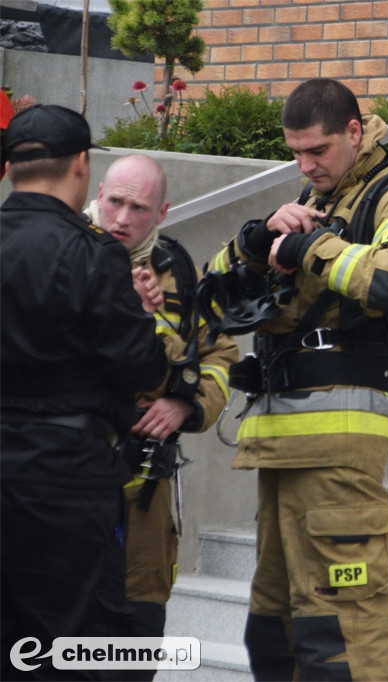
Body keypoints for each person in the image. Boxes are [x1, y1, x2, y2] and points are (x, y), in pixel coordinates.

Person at [204, 78, 388, 681]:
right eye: (295, 154)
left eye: (318, 152)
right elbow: (212, 292)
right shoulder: (318, 199)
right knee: (276, 627)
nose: (306, 167)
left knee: (341, 631)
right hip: (282, 440)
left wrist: (317, 248)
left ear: (354, 132)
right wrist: (257, 241)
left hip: (339, 445)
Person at [1, 105, 168, 680]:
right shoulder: (93, 256)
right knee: (73, 641)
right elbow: (141, 368)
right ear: (80, 165)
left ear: (9, 170)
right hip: (65, 480)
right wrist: (143, 318)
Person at [83, 153, 240, 678]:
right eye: (114, 203)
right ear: (98, 192)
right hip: (69, 478)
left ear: (162, 213)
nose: (122, 219)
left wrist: (185, 404)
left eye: (138, 208)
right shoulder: (65, 254)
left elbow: (219, 359)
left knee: (135, 642)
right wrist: (130, 315)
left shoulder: (179, 273)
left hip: (145, 491)